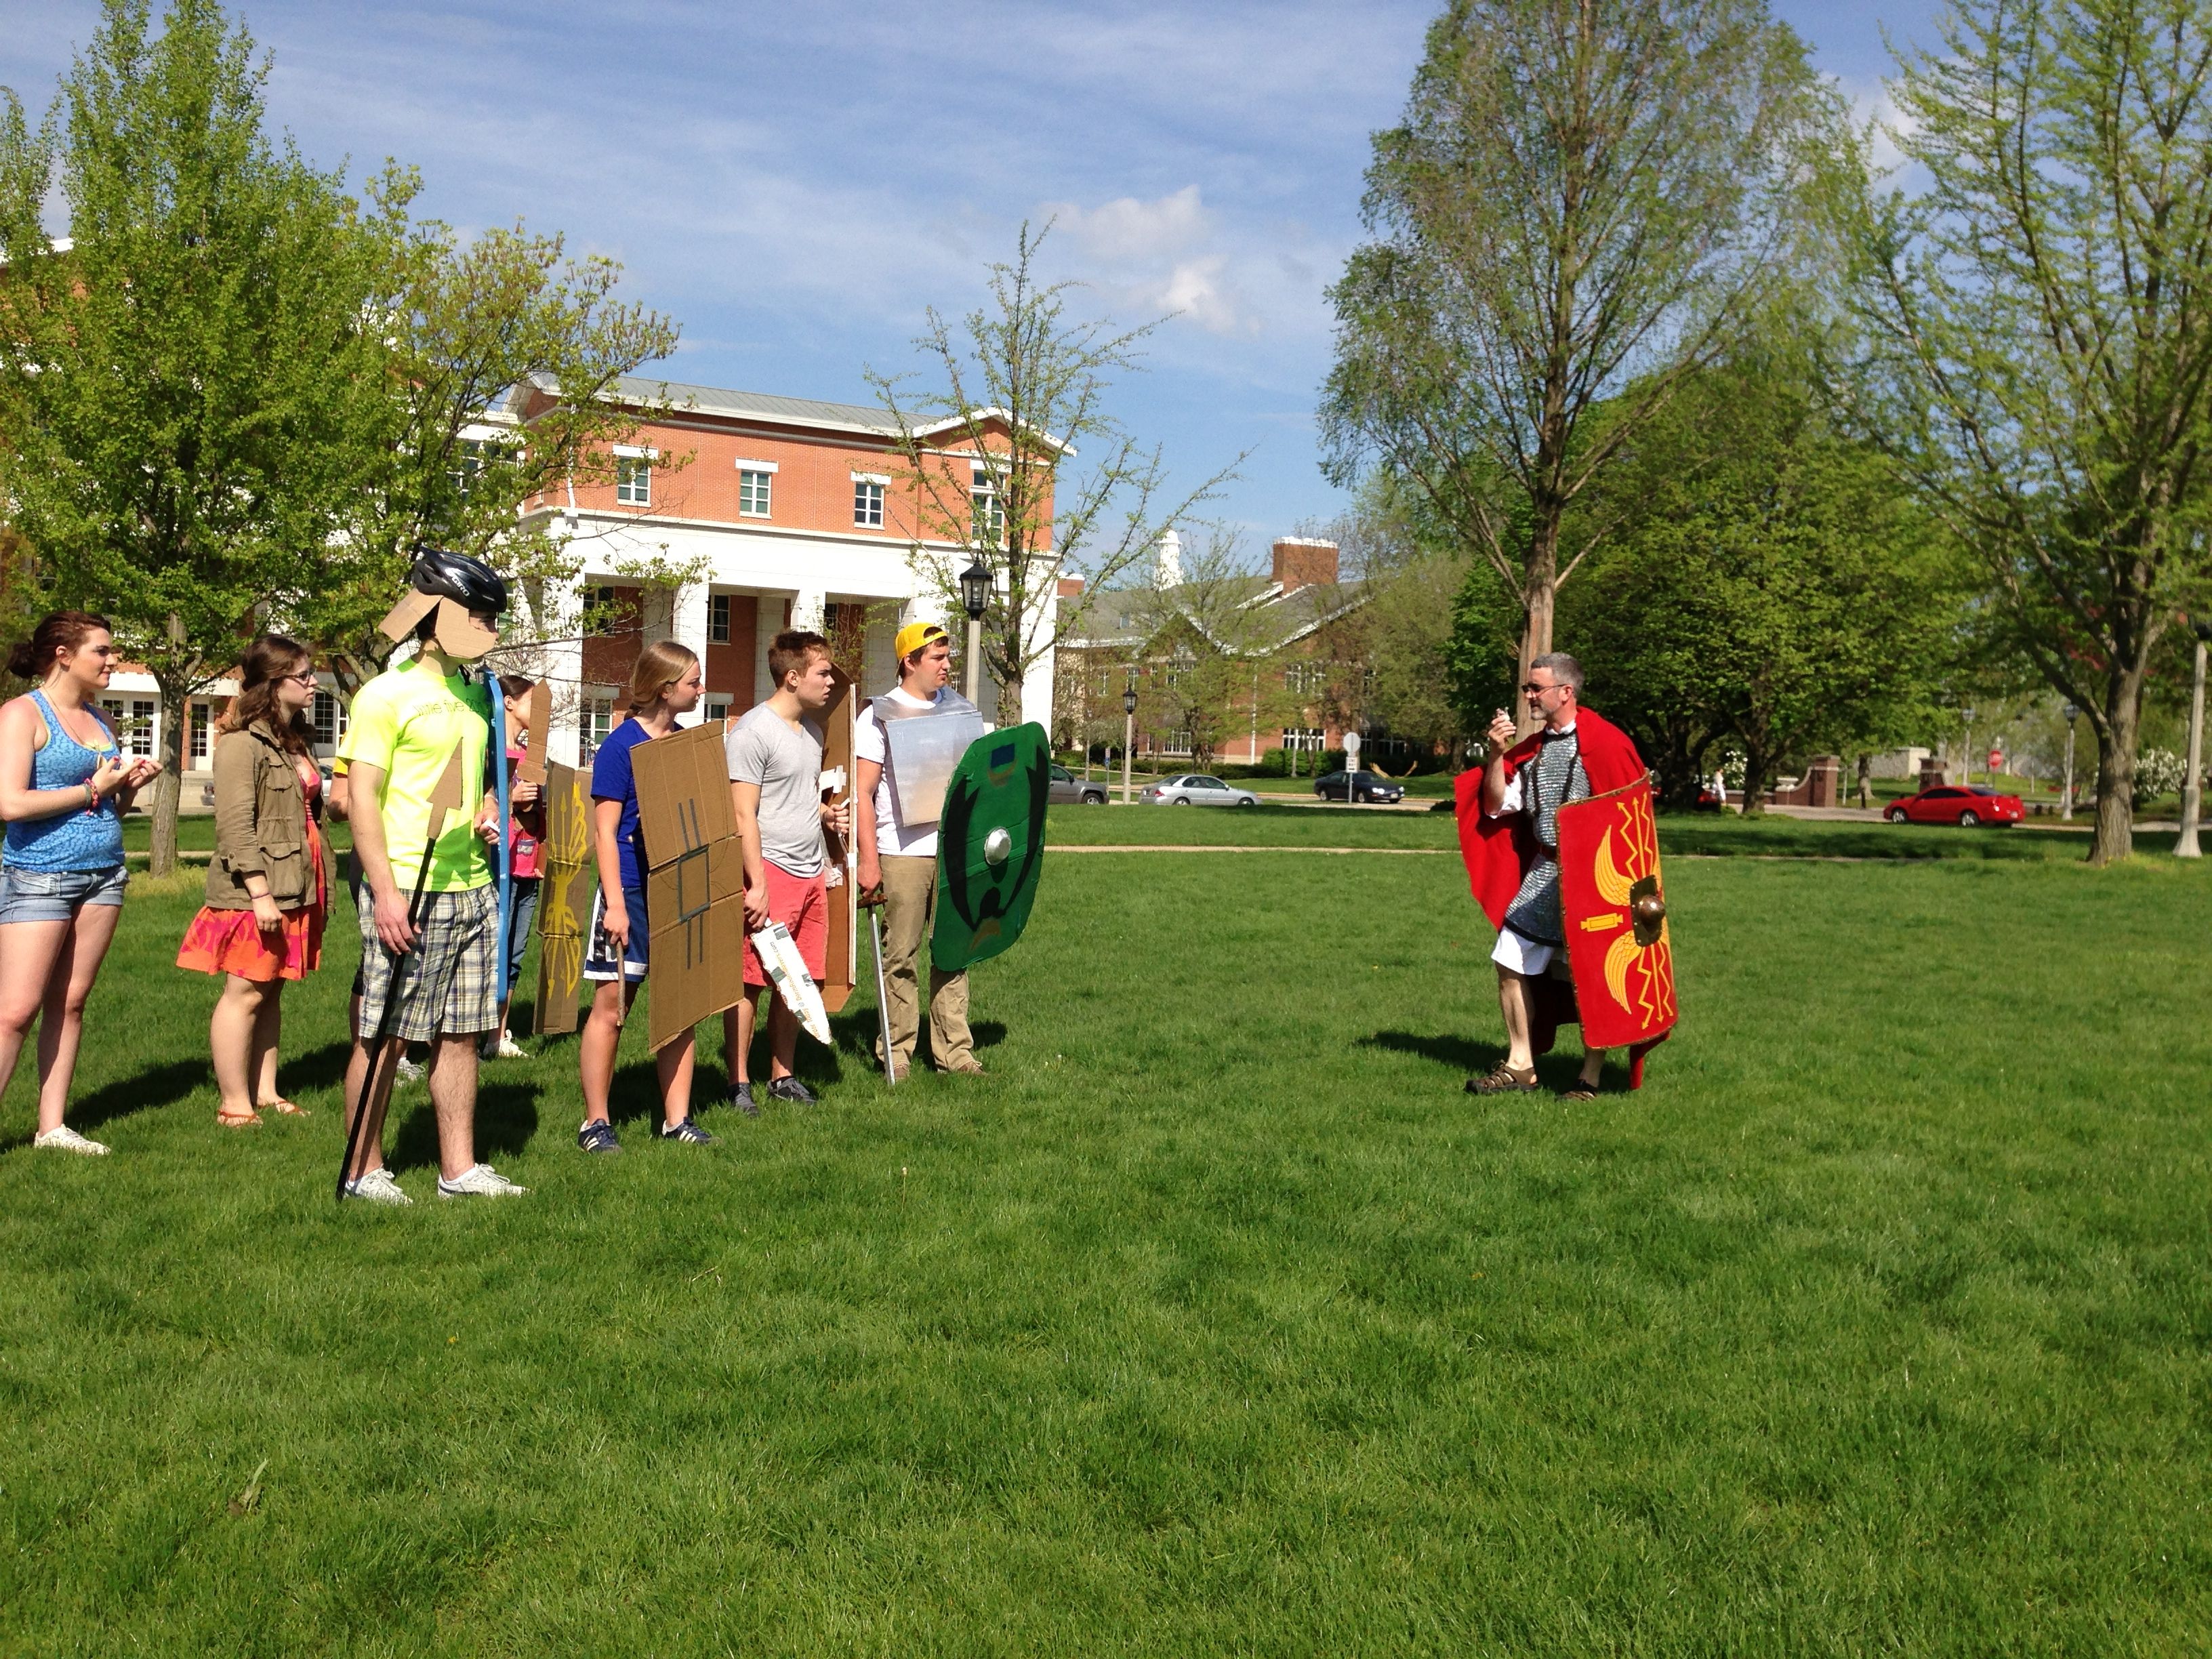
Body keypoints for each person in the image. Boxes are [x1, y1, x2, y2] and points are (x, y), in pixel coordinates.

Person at [335, 549, 532, 1204]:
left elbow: (472, 782)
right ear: (439, 613)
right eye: (480, 617)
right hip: (408, 891)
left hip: (474, 886)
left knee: (462, 1034)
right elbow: (361, 797)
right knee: (386, 1033)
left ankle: (460, 1170)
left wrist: (487, 809)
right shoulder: (385, 694)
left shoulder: (480, 695)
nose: (492, 630)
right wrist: (385, 893)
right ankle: (365, 1169)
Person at [0, 612, 162, 1155]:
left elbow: (110, 804)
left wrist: (128, 789)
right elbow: (10, 804)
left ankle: (52, 1127)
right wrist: (94, 789)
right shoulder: (22, 715)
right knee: (16, 1011)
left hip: (104, 874)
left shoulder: (102, 720)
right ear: (64, 655)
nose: (113, 660)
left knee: (70, 1005)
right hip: (39, 875)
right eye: (103, 651)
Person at [1462, 652, 1650, 1100]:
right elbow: (1496, 805)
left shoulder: (1607, 744)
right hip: (1544, 871)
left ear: (1565, 692)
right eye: (1526, 688)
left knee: (1592, 974)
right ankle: (1521, 1064)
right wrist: (1496, 754)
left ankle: (1590, 1075)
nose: (1527, 695)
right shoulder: (1533, 750)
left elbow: (1629, 822)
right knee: (1509, 959)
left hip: (1597, 880)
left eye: (1535, 688)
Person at [176, 634, 329, 1127]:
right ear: (271, 683)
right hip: (255, 890)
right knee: (244, 992)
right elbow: (235, 828)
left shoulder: (293, 739)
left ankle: (266, 1091)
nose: (312, 684)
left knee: (273, 988)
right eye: (302, 676)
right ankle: (233, 1102)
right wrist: (260, 894)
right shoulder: (241, 744)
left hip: (297, 880)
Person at [575, 641, 712, 1152]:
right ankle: (595, 1122)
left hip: (676, 890)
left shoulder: (682, 744)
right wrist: (613, 903)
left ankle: (677, 1120)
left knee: (680, 1008)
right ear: (665, 688)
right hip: (629, 891)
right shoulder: (619, 748)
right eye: (694, 682)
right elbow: (604, 832)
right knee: (613, 1007)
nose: (700, 689)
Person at [851, 621, 982, 1076]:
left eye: (948, 657)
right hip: (901, 851)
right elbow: (862, 793)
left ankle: (955, 1053)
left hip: (953, 853)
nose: (947, 666)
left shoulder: (962, 709)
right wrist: (869, 861)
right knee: (900, 954)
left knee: (954, 951)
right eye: (938, 658)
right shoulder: (877, 714)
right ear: (909, 661)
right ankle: (898, 1051)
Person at [723, 630, 846, 1113]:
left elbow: (794, 799)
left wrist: (824, 817)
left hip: (811, 871)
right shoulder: (754, 731)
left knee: (800, 979)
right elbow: (741, 814)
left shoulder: (812, 733)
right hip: (768, 872)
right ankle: (737, 1082)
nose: (831, 681)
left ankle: (782, 1075)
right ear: (792, 677)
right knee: (751, 980)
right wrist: (755, 883)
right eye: (822, 673)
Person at [481, 672, 544, 1063]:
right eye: (532, 702)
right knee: (491, 952)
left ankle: (499, 1034)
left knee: (515, 955)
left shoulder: (529, 756)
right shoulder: (488, 755)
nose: (540, 712)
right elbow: (476, 811)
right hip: (495, 867)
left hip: (526, 868)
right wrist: (510, 796)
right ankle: (474, 1033)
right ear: (509, 702)